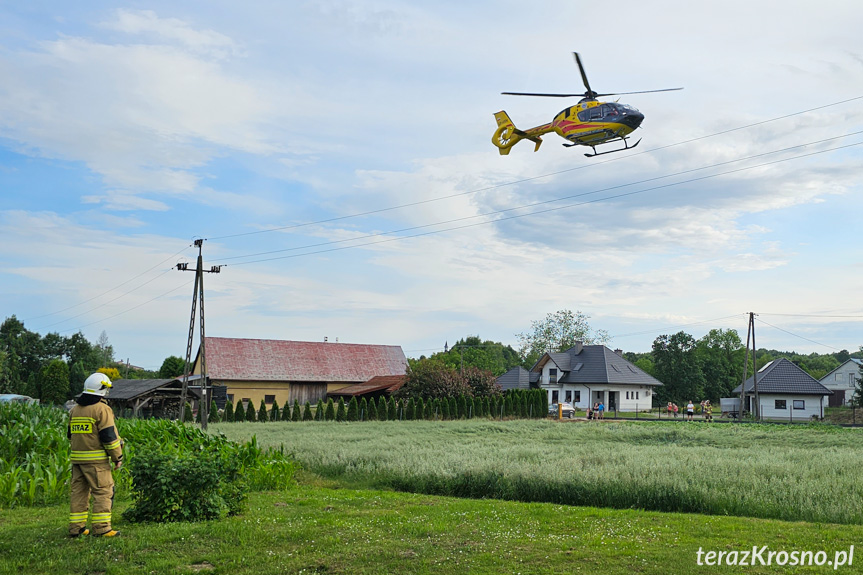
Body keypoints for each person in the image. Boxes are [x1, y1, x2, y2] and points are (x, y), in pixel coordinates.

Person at [68, 373, 124, 537]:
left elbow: (70, 435)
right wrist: (117, 457)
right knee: (104, 492)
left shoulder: (75, 410)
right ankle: (102, 528)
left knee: (79, 493)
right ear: (101, 389)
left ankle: (76, 529)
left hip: (77, 460)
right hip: (96, 462)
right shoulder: (102, 409)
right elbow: (109, 437)